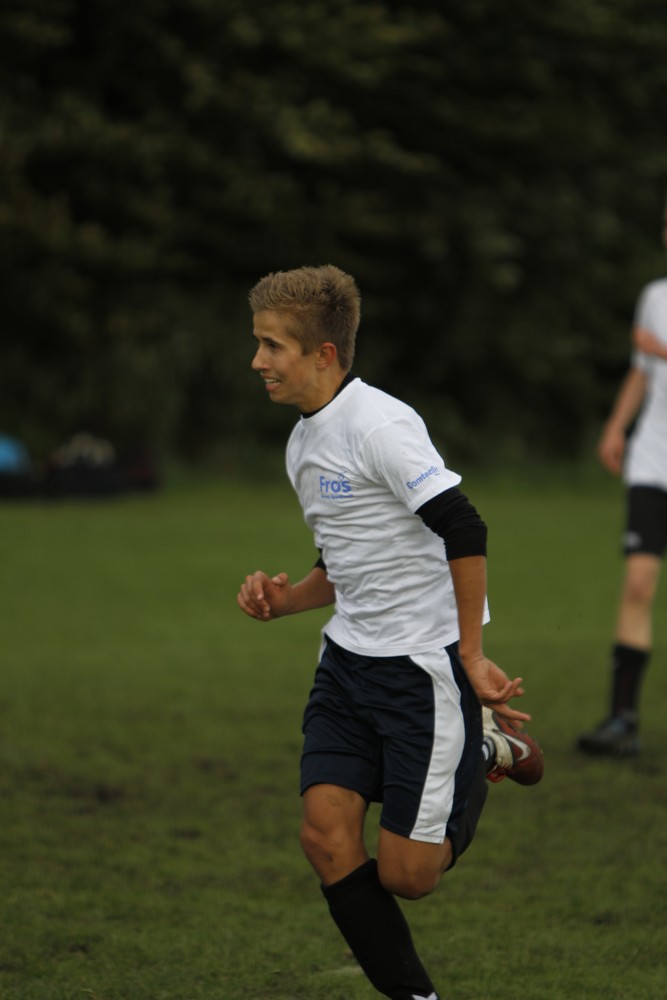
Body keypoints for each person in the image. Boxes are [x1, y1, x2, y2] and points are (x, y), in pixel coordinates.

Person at [237, 264, 544, 1000]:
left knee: (410, 875)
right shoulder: (301, 443)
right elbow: (345, 563)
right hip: (346, 665)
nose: (256, 361)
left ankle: (481, 745)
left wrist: (470, 654)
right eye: (258, 343)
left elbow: (462, 526)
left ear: (323, 354)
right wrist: (284, 601)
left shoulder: (379, 425)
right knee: (324, 838)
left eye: (272, 346)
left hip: (420, 671)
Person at [578, 212, 667, 757]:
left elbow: (656, 354)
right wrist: (616, 426)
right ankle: (622, 720)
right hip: (653, 461)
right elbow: (642, 370)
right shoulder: (655, 296)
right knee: (637, 585)